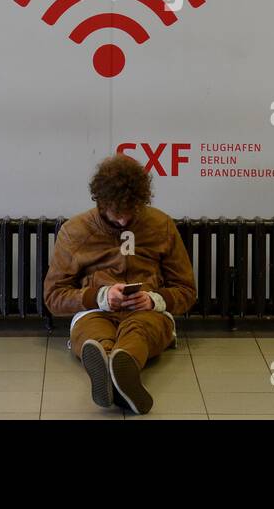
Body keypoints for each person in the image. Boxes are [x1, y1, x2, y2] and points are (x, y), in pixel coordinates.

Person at [43, 153, 197, 415]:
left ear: (141, 202)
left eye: (131, 213)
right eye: (117, 214)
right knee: (92, 332)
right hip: (95, 311)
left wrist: (154, 299)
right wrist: (100, 296)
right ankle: (109, 364)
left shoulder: (161, 225)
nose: (124, 221)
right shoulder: (75, 231)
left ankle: (120, 364)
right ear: (101, 203)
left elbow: (186, 290)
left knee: (140, 329)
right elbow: (54, 296)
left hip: (147, 311)